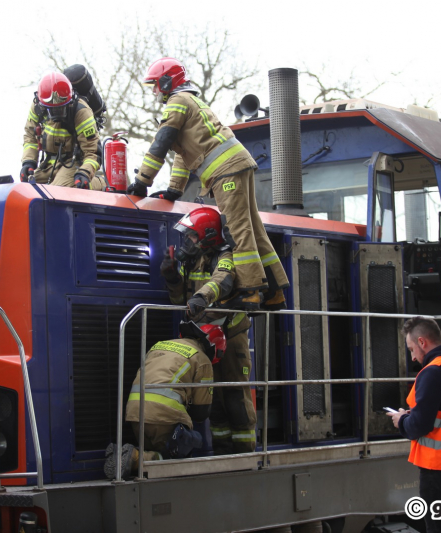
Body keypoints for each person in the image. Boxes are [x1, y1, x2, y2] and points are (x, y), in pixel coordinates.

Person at [126, 57, 289, 311]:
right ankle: (276, 292)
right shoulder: (192, 102)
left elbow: (162, 142)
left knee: (236, 230)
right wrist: (174, 189)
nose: (156, 91)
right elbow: (182, 152)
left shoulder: (177, 102)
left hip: (225, 171)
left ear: (168, 82)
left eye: (156, 85)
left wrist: (141, 181)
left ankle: (251, 292)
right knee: (254, 228)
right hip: (238, 164)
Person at [161, 207, 256, 454]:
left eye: (192, 236)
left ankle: (245, 455)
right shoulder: (193, 261)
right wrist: (172, 277)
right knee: (214, 402)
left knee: (235, 398)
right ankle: (223, 452)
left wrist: (201, 297)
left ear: (208, 235)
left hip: (231, 337)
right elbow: (180, 300)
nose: (187, 241)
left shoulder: (225, 255)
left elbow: (222, 280)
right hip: (204, 339)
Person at [387, 317, 441, 533]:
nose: (413, 357)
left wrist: (402, 421)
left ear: (422, 342)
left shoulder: (432, 371)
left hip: (439, 467)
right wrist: (415, 414)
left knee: (439, 528)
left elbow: (420, 426)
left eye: (411, 349)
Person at [104, 321, 224, 479]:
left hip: (134, 413)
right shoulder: (202, 359)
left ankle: (132, 454)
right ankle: (135, 458)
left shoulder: (160, 345)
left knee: (159, 451)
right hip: (164, 417)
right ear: (215, 349)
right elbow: (201, 412)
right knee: (185, 448)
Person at [20, 71, 105, 190]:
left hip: (73, 163)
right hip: (48, 164)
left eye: (61, 108)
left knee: (58, 191)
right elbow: (30, 136)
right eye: (52, 109)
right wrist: (28, 162)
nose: (57, 113)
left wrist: (85, 172)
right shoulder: (38, 106)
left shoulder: (81, 111)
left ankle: (99, 183)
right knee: (27, 189)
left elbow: (93, 151)